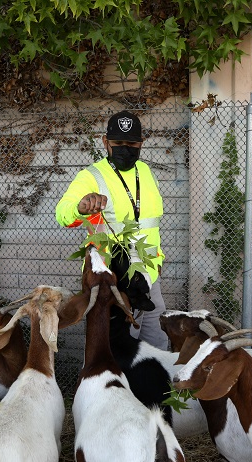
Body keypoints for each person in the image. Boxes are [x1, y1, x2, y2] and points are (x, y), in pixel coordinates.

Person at [55, 110, 168, 349]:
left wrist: (155, 266)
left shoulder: (147, 173)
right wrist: (80, 207)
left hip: (149, 278)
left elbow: (150, 226)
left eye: (131, 143)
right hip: (112, 283)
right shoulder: (91, 176)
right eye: (118, 143)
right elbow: (62, 213)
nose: (125, 149)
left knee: (156, 345)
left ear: (141, 143)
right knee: (115, 352)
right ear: (105, 142)